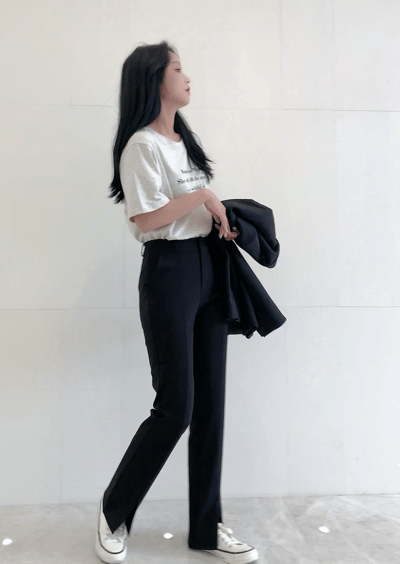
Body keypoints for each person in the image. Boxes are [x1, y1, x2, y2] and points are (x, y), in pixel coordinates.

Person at [94, 40, 258, 564]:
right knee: (175, 408)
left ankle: (207, 528)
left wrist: (220, 218)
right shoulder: (141, 146)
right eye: (178, 69)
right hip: (170, 273)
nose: (188, 77)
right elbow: (145, 218)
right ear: (154, 80)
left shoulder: (183, 141)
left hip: (209, 268)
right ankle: (114, 512)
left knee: (210, 406)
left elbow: (189, 211)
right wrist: (203, 197)